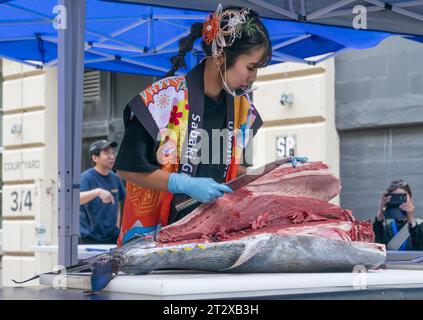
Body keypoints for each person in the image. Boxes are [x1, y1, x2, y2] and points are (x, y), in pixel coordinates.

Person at [113, 5, 272, 246]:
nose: (253, 77)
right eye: (251, 67)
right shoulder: (163, 98)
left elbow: (236, 171)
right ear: (221, 56)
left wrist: (274, 173)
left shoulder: (243, 111)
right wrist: (181, 183)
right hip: (151, 242)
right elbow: (127, 168)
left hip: (212, 240)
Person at [79, 139, 126, 244]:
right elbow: (76, 199)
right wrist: (98, 192)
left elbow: (118, 202)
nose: (112, 157)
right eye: (106, 153)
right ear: (95, 158)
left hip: (112, 237)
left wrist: (117, 226)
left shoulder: (115, 178)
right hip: (90, 238)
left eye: (113, 153)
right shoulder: (86, 178)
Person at [373, 179, 423, 250]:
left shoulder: (420, 226)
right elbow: (377, 246)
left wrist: (410, 218)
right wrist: (380, 213)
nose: (399, 203)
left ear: (411, 200)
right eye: (395, 198)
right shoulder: (387, 229)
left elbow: (419, 246)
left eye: (402, 197)